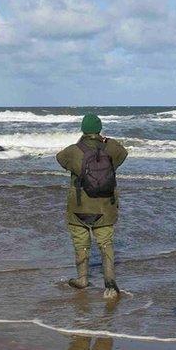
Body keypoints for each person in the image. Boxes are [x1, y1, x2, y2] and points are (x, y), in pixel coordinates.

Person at [56, 114, 128, 299]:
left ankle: (82, 279)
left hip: (78, 208)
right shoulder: (111, 148)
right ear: (100, 129)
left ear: (83, 129)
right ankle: (110, 284)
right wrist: (106, 141)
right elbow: (123, 153)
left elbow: (59, 158)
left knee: (81, 243)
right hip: (105, 208)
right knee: (106, 244)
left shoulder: (73, 151)